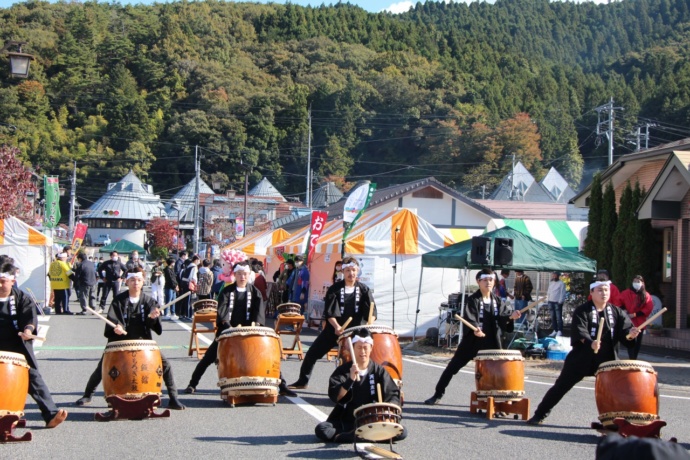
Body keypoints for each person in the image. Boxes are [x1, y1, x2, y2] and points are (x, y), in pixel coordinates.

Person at [527, 280, 639, 425]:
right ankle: (539, 414)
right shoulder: (582, 310)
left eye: (606, 290)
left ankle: (610, 421)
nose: (604, 293)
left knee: (613, 392)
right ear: (591, 292)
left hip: (607, 359)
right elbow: (580, 332)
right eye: (600, 290)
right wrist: (590, 342)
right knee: (561, 386)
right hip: (582, 358)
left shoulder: (616, 312)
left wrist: (631, 334)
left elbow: (625, 333)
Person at [75, 268, 185, 409]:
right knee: (102, 367)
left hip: (143, 342)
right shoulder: (119, 300)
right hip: (120, 342)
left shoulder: (150, 301)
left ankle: (173, 397)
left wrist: (152, 317)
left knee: (166, 365)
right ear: (127, 281)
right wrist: (118, 327)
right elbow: (114, 319)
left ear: (143, 281)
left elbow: (154, 321)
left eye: (139, 280)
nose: (136, 283)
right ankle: (88, 395)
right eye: (132, 280)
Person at [185, 262, 294, 396]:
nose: (242, 277)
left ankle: (282, 385)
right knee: (208, 358)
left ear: (249, 275)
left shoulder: (255, 292)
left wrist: (256, 327)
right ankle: (192, 384)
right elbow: (222, 311)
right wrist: (228, 328)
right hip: (227, 331)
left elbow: (258, 313)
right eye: (239, 274)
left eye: (245, 274)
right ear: (235, 275)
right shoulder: (226, 291)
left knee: (267, 357)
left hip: (250, 332)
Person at [424, 269, 521, 405]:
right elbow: (470, 318)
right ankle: (437, 394)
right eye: (485, 280)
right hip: (472, 341)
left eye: (491, 280)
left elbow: (503, 319)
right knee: (452, 368)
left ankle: (497, 401)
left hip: (492, 342)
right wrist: (475, 329)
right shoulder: (473, 300)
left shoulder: (498, 301)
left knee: (496, 372)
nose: (488, 282)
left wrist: (511, 317)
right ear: (478, 282)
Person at [289, 257, 376, 390]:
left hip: (356, 333)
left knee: (362, 359)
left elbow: (371, 313)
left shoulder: (364, 290)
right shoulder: (334, 289)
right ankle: (302, 380)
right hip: (334, 330)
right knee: (312, 354)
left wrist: (369, 324)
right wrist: (337, 326)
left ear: (357, 271)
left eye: (353, 270)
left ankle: (362, 387)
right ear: (343, 271)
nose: (351, 273)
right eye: (348, 270)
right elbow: (330, 313)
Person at [0, 262, 68, 427]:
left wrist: (28, 331)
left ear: (12, 281)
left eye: (3, 281)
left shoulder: (21, 298)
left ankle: (51, 414)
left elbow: (30, 320)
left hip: (17, 345)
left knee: (33, 377)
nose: (0, 285)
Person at [315, 328, 406, 443]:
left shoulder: (379, 371)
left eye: (365, 348)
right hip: (348, 420)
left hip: (373, 419)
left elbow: (392, 394)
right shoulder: (343, 371)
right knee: (322, 429)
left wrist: (388, 412)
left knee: (402, 432)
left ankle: (354, 437)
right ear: (352, 348)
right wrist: (350, 379)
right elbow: (337, 397)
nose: (362, 352)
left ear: (371, 348)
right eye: (359, 348)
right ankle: (367, 436)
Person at [618, 275, 654, 360]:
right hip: (628, 322)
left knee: (638, 343)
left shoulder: (646, 295)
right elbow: (619, 302)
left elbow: (648, 307)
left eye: (638, 282)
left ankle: (634, 358)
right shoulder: (625, 293)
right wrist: (624, 310)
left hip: (640, 322)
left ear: (642, 283)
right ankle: (632, 358)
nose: (636, 283)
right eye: (634, 281)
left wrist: (635, 314)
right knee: (630, 341)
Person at [547, 271, 567, 337]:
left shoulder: (561, 283)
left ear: (558, 276)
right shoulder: (551, 283)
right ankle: (555, 330)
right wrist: (548, 299)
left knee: (558, 317)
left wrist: (560, 301)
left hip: (557, 302)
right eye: (553, 275)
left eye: (555, 275)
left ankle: (560, 330)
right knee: (553, 317)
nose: (554, 276)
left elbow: (562, 293)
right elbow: (549, 291)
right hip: (550, 301)